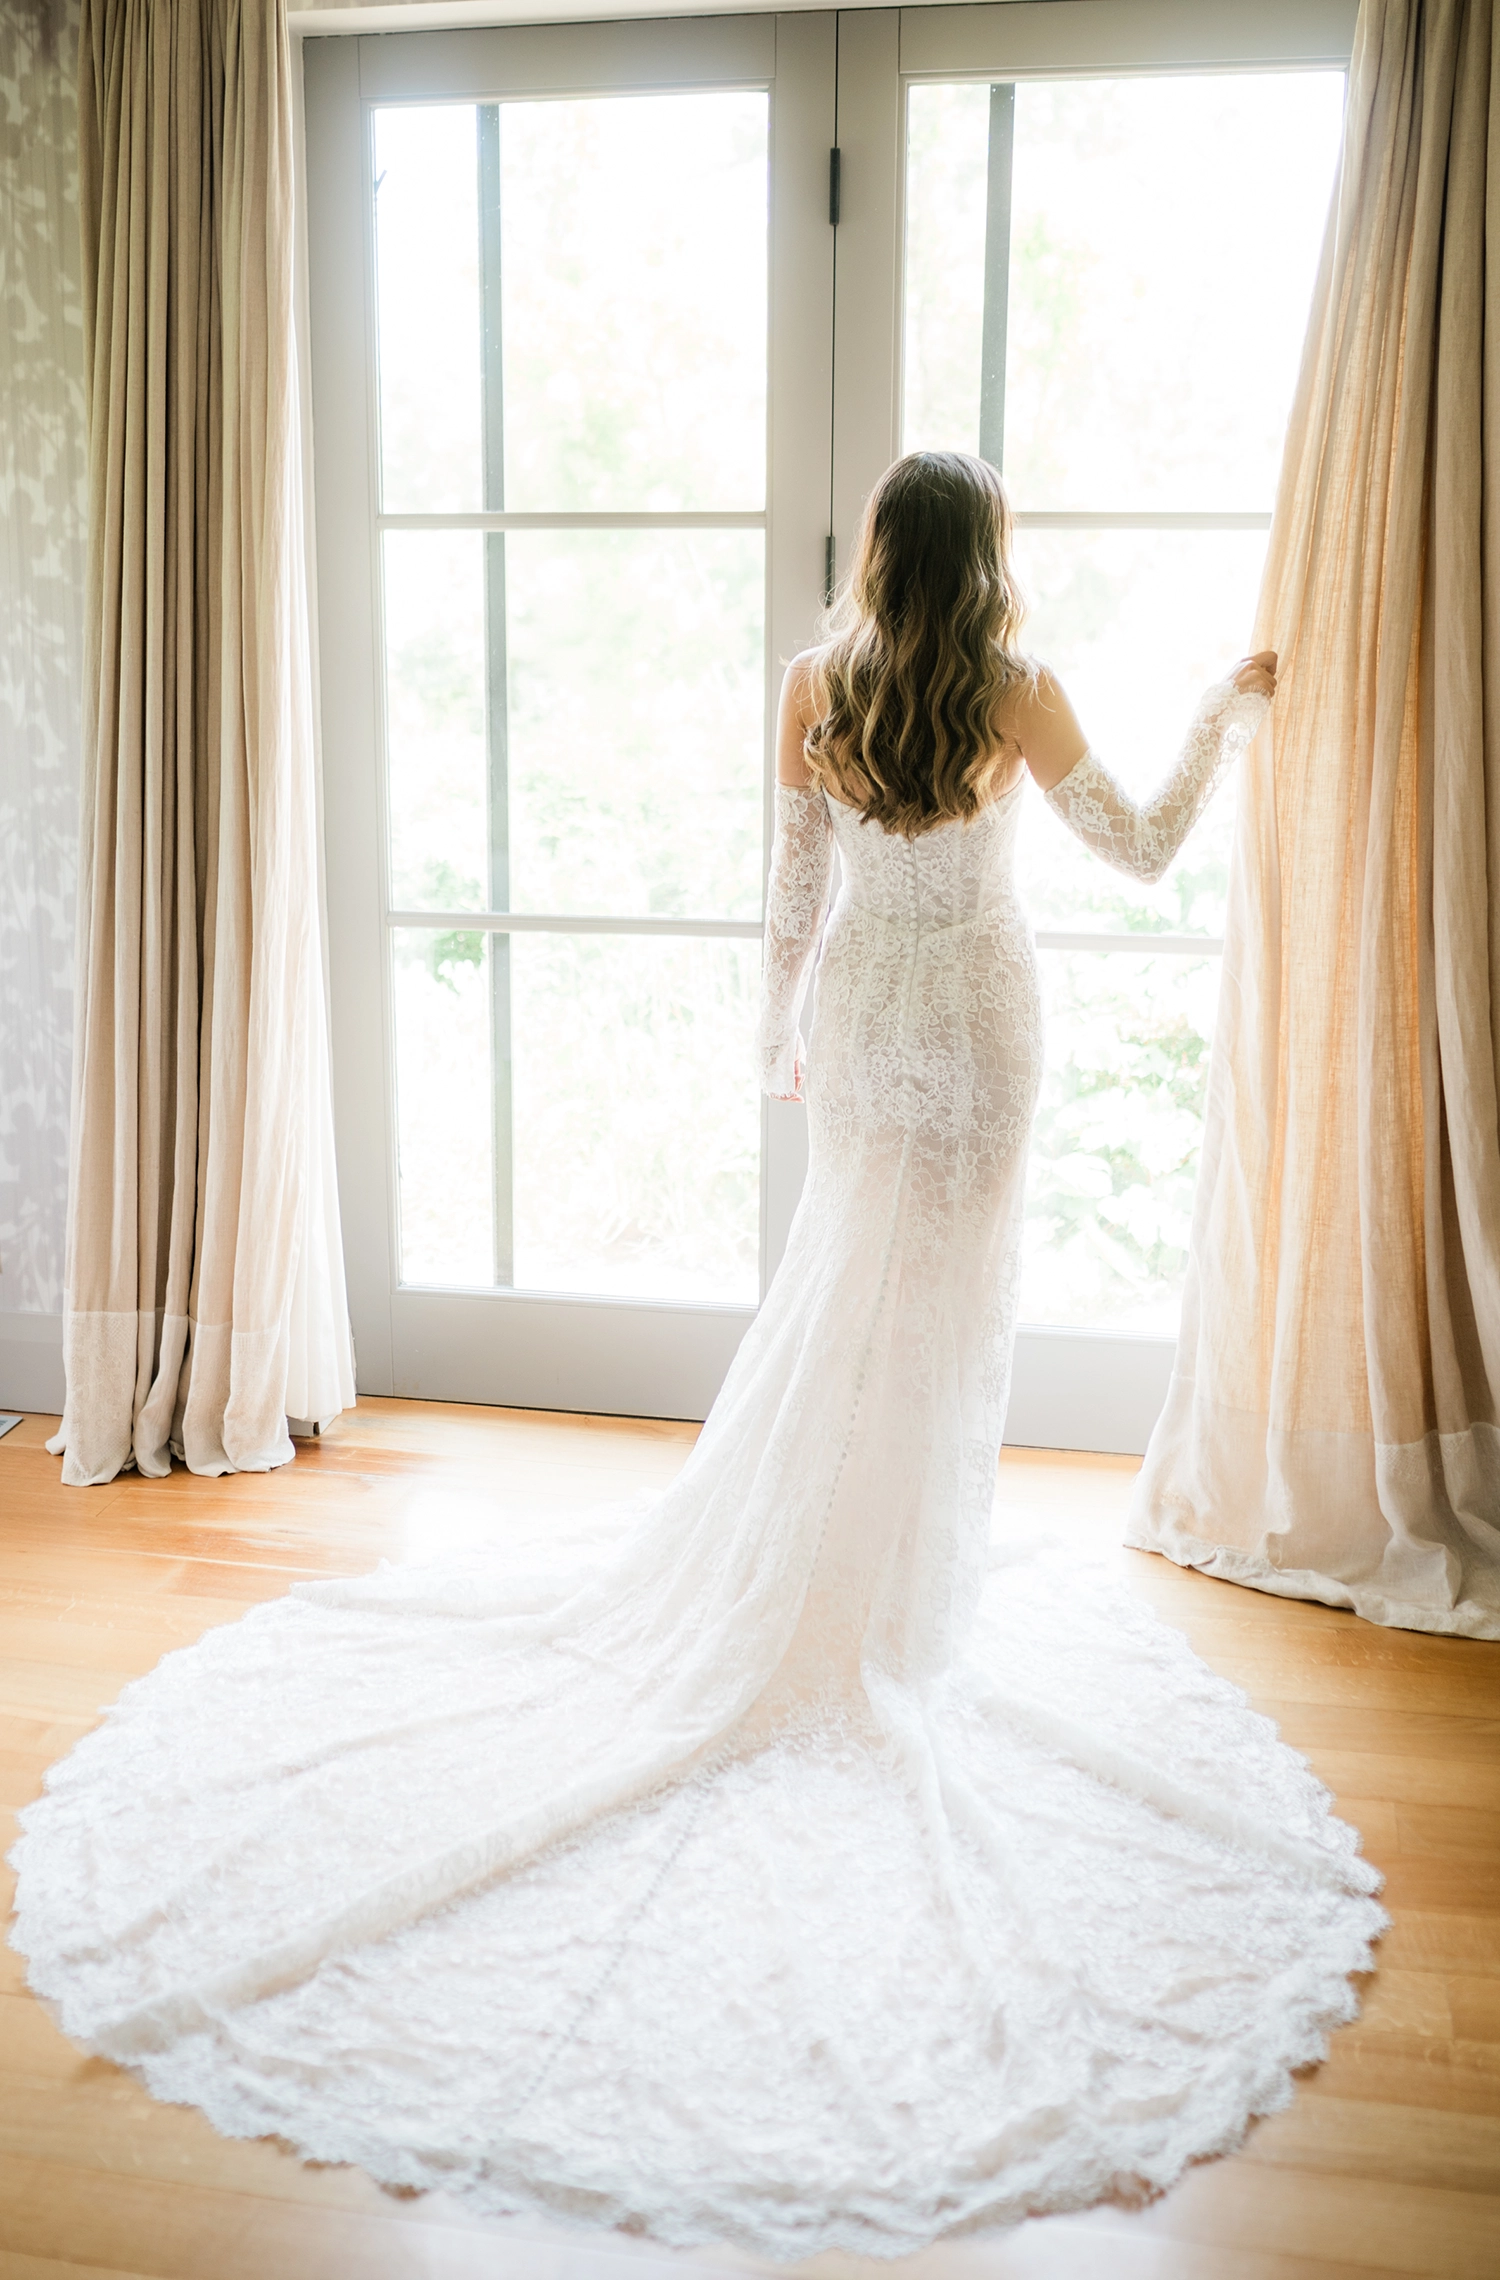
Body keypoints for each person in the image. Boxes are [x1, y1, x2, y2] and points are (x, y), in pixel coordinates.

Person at [10, 452, 1383, 2261]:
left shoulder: (820, 685)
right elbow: (1134, 844)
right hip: (978, 1026)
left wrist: (778, 1040)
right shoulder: (1020, 689)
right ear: (988, 564)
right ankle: (902, 1601)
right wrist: (1220, 710)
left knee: (851, 1299)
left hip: (872, 1021)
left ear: (884, 553)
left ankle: (854, 1576)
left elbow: (792, 884)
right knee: (941, 1312)